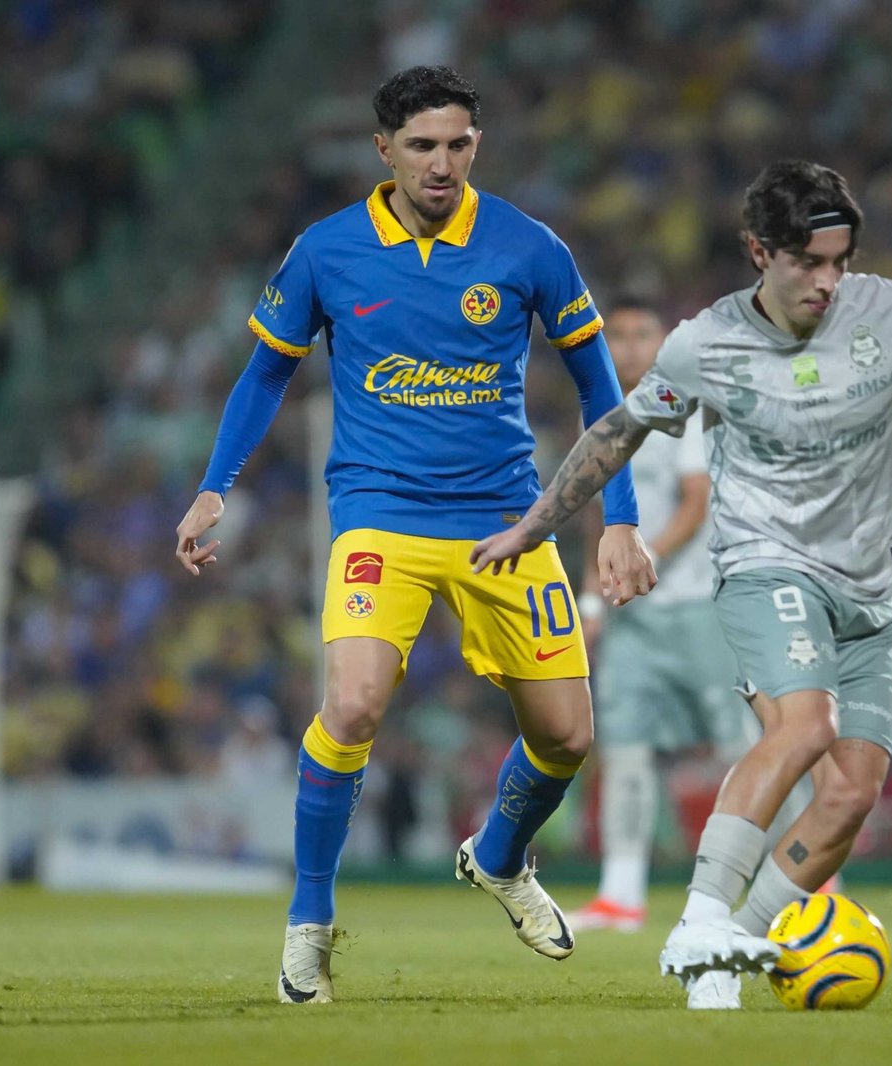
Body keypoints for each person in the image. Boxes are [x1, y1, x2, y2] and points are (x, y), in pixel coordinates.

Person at [173, 65, 653, 1005]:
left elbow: (602, 392)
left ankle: (502, 856)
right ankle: (310, 921)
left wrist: (619, 520)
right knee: (350, 707)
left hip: (508, 523)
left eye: (460, 144)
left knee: (565, 740)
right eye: (424, 145)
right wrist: (212, 490)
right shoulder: (327, 249)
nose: (443, 163)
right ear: (383, 148)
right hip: (378, 514)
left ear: (478, 144)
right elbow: (266, 374)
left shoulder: (529, 246)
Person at [470, 159, 892, 1008]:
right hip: (763, 566)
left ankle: (729, 946)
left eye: (839, 262)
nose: (828, 281)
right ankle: (700, 913)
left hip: (867, 586)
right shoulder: (705, 343)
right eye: (807, 263)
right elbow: (619, 430)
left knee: (852, 794)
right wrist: (534, 527)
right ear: (758, 251)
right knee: (804, 728)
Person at [571, 298, 753, 934]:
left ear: (663, 340)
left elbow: (695, 503)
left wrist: (642, 557)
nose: (625, 346)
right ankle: (621, 894)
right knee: (624, 746)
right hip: (632, 615)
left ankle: (787, 878)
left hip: (699, 605)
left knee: (742, 747)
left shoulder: (687, 409)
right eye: (614, 335)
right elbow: (599, 516)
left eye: (640, 333)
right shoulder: (602, 415)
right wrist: (596, 596)